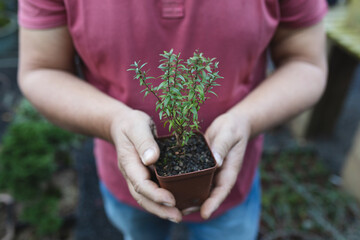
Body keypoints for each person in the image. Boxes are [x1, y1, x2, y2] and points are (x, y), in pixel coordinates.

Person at [17, 0, 328, 239]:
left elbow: (306, 61)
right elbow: (42, 69)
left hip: (232, 180)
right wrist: (113, 120)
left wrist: (246, 120)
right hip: (125, 181)